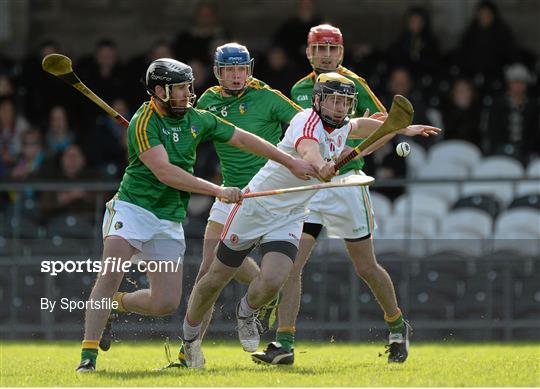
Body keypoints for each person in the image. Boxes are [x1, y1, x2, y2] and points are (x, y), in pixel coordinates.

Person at [181, 73, 439, 368]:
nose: (340, 107)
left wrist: (401, 128)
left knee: (275, 280)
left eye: (345, 102)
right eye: (334, 100)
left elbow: (359, 126)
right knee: (215, 277)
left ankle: (246, 310)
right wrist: (321, 167)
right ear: (318, 100)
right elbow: (310, 152)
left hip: (290, 216)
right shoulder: (306, 122)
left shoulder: (341, 124)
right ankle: (189, 337)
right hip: (256, 208)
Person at [76, 58, 315, 373]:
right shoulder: (143, 122)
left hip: (168, 217)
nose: (189, 93)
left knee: (165, 303)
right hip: (132, 210)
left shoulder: (197, 119)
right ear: (160, 91)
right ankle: (88, 359)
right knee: (111, 272)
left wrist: (289, 161)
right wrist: (217, 190)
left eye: (189, 87)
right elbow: (165, 172)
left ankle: (117, 304)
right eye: (181, 88)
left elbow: (243, 138)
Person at [253, 24, 439, 366]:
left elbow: (383, 123)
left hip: (346, 184)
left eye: (332, 49)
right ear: (308, 53)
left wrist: (399, 130)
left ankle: (397, 326)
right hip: (310, 187)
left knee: (366, 266)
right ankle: (285, 343)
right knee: (292, 264)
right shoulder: (297, 89)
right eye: (319, 49)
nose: (325, 55)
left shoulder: (356, 85)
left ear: (341, 53)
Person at [160, 42, 303, 368]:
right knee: (208, 276)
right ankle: (190, 352)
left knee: (269, 278)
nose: (236, 76)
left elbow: (307, 125)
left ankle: (252, 306)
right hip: (232, 196)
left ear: (249, 69)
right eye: (229, 70)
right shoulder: (208, 101)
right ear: (218, 72)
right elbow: (183, 126)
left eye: (241, 69)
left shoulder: (269, 97)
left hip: (273, 198)